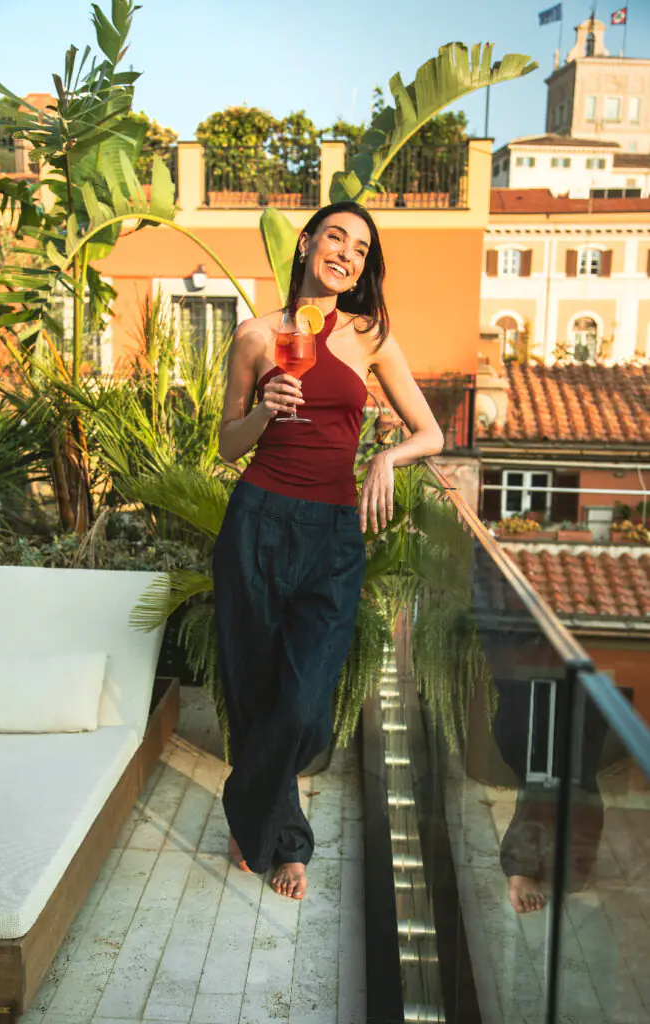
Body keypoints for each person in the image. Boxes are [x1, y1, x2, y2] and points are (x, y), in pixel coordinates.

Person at [212, 199, 445, 901]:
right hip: (257, 520)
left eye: (360, 248)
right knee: (256, 691)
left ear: (363, 268)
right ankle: (284, 839)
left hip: (334, 532)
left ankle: (246, 806)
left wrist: (384, 461)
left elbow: (429, 432)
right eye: (334, 237)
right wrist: (264, 407)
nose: (345, 252)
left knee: (307, 701)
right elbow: (226, 444)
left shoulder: (369, 335)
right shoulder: (255, 336)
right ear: (307, 243)